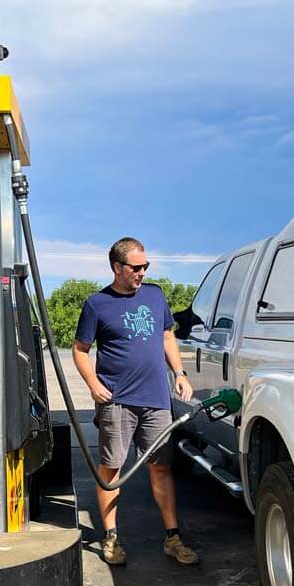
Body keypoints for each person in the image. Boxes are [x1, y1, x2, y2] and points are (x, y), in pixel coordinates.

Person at [72, 237, 198, 566]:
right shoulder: (97, 304)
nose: (143, 272)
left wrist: (180, 373)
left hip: (156, 398)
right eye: (136, 267)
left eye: (146, 266)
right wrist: (93, 383)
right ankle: (111, 538)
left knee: (161, 467)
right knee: (111, 470)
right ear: (117, 267)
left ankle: (173, 537)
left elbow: (167, 335)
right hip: (117, 400)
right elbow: (80, 350)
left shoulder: (155, 295)